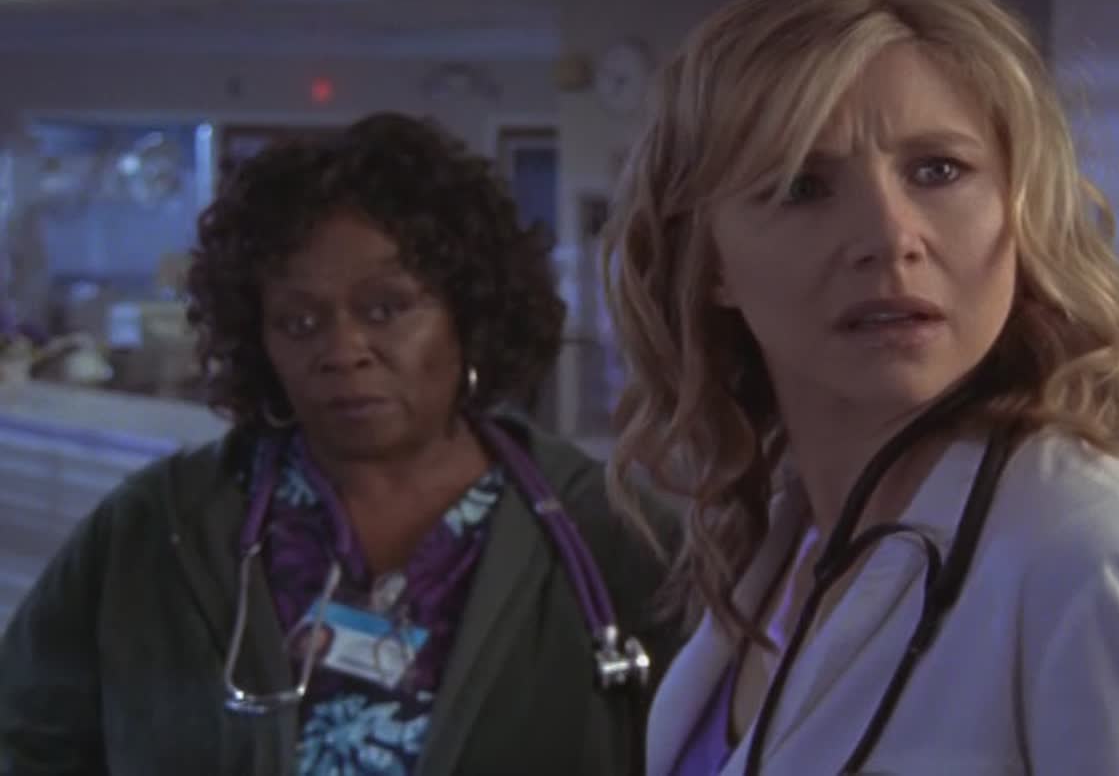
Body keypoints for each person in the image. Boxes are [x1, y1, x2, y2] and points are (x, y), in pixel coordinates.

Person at [602, 0, 1119, 776]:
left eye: (938, 170)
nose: (891, 238)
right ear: (709, 261)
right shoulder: (785, 544)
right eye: (802, 186)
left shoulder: (1097, 560)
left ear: (1020, 212)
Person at [0, 112, 681, 775]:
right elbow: (23, 739)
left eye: (386, 308)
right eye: (298, 321)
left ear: (469, 313)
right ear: (259, 339)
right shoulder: (155, 530)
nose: (342, 349)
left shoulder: (615, 539)